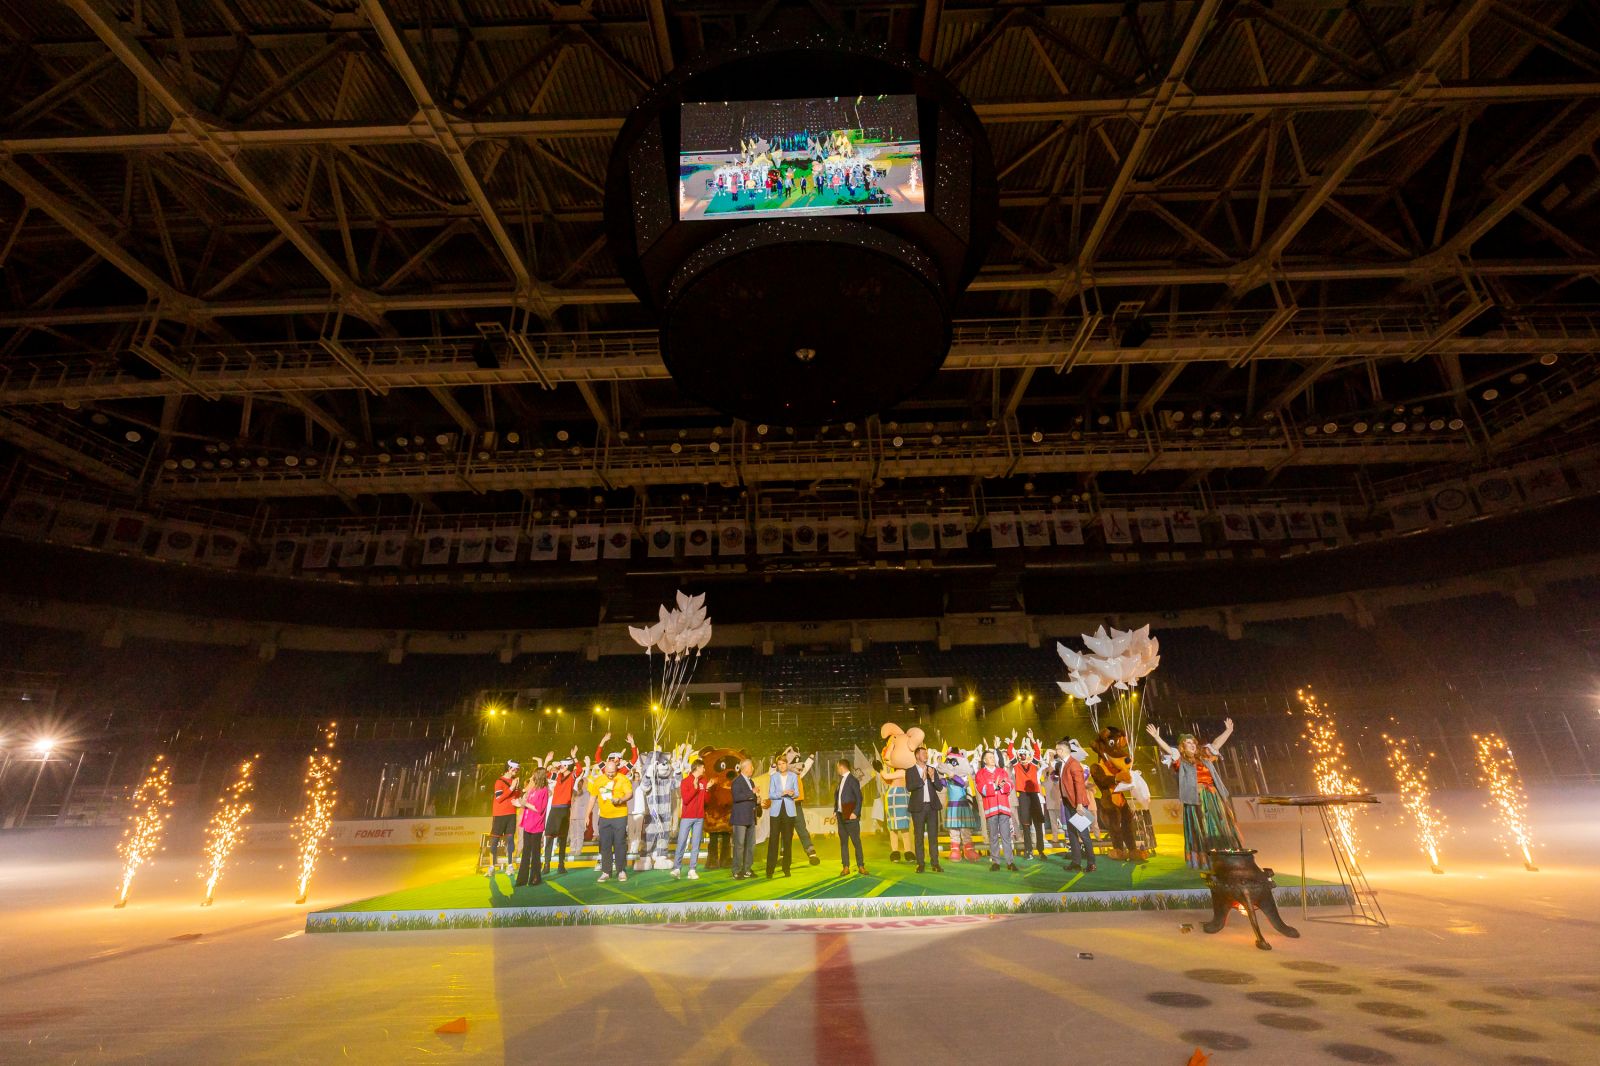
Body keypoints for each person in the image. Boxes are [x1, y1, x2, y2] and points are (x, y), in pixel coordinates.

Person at [1148, 719, 1241, 869]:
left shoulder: (1203, 756)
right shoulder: (1181, 760)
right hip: (1196, 798)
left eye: (1193, 742)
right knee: (1202, 827)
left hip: (1212, 795)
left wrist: (1228, 731)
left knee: (1220, 824)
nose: (1192, 745)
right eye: (1188, 743)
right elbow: (1169, 750)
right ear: (1182, 747)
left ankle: (1225, 854)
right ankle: (1208, 858)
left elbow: (1216, 744)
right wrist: (1157, 738)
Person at [587, 751, 634, 882]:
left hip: (620, 816)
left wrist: (620, 799)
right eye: (608, 772)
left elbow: (630, 793)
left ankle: (621, 870)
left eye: (612, 772)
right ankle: (606, 871)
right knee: (605, 845)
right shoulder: (599, 780)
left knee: (620, 843)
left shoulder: (622, 778)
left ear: (616, 769)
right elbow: (592, 798)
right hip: (604, 817)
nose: (610, 774)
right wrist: (587, 814)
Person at [1055, 739, 1096, 873]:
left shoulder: (1073, 764)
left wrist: (1079, 804)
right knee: (1072, 832)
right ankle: (1076, 861)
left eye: (1057, 749)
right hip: (1067, 803)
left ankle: (1091, 863)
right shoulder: (1063, 764)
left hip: (1076, 804)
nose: (1056, 752)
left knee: (1084, 834)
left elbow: (1079, 786)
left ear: (1063, 750)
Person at [974, 748, 1017, 871]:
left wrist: (1000, 786)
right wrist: (996, 786)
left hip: (1003, 808)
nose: (993, 759)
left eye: (993, 757)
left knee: (1006, 836)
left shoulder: (1001, 771)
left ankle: (1010, 862)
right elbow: (981, 789)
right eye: (990, 757)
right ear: (984, 760)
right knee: (993, 836)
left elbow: (1009, 785)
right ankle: (996, 862)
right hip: (991, 809)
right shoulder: (980, 773)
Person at [779, 746, 823, 866]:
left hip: (796, 805)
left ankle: (811, 853)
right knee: (786, 831)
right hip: (786, 805)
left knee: (802, 829)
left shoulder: (798, 774)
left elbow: (806, 766)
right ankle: (784, 856)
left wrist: (811, 756)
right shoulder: (781, 774)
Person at [904, 745, 943, 873]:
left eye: (926, 754)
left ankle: (935, 863)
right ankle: (920, 863)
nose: (926, 756)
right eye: (923, 753)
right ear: (917, 755)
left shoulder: (932, 769)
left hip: (932, 807)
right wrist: (922, 780)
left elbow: (939, 788)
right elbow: (909, 787)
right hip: (918, 808)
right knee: (918, 836)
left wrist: (932, 778)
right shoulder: (910, 771)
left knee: (933, 837)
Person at [543, 748, 580, 874]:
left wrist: (574, 757)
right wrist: (547, 761)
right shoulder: (557, 776)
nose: (561, 767)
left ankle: (561, 865)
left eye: (564, 765)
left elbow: (579, 769)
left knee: (562, 838)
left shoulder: (572, 776)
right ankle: (546, 864)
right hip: (554, 809)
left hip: (564, 809)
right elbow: (544, 774)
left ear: (568, 766)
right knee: (549, 837)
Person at [1010, 739, 1047, 860]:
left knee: (1038, 823)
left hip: (1034, 796)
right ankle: (1028, 850)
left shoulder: (1033, 765)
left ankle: (1041, 850)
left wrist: (1032, 741)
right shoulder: (1017, 766)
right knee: (1026, 824)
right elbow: (1010, 752)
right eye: (1020, 754)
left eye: (1024, 754)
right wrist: (1012, 741)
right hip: (1024, 796)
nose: (1022, 756)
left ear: (1028, 755)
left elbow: (1037, 752)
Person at [672, 758, 709, 879]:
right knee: (682, 842)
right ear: (697, 767)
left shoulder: (704, 781)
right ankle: (677, 868)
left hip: (699, 817)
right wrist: (694, 787)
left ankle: (692, 870)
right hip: (687, 817)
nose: (704, 769)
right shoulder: (685, 781)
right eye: (703, 767)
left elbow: (706, 801)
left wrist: (707, 789)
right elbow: (686, 799)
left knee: (696, 844)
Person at [515, 769, 550, 888]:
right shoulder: (532, 789)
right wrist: (519, 803)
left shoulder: (544, 790)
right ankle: (522, 879)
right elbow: (527, 804)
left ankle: (535, 877)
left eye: (534, 776)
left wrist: (524, 803)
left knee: (535, 852)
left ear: (539, 777)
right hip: (528, 823)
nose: (532, 778)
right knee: (526, 851)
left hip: (537, 825)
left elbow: (539, 809)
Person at [766, 753, 799, 877]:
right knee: (773, 841)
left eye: (783, 763)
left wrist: (791, 793)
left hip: (789, 811)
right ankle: (770, 870)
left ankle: (786, 868)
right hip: (776, 812)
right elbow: (771, 794)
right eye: (779, 764)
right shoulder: (774, 777)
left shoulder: (793, 776)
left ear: (787, 764)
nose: (781, 766)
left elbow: (797, 793)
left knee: (787, 841)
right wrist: (782, 793)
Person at [833, 758, 866, 875]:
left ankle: (861, 865)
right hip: (841, 815)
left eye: (837, 767)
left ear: (841, 767)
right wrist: (835, 810)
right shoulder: (841, 781)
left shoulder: (852, 780)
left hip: (851, 816)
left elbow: (859, 798)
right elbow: (838, 797)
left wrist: (855, 813)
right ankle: (845, 866)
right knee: (843, 842)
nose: (837, 770)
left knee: (856, 841)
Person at [488, 760, 521, 874]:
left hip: (511, 814)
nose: (516, 771)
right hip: (500, 814)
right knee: (494, 840)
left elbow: (516, 797)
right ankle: (492, 866)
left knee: (511, 839)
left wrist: (516, 789)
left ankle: (510, 865)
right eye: (515, 769)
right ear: (509, 768)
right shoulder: (499, 781)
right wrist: (511, 788)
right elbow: (499, 798)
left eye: (517, 769)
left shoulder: (514, 781)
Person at [730, 757, 760, 880]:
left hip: (750, 817)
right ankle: (736, 870)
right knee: (739, 845)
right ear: (746, 768)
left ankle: (747, 869)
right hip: (740, 818)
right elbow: (736, 797)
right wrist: (752, 793)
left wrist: (757, 801)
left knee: (750, 845)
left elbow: (749, 797)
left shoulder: (750, 781)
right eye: (751, 766)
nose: (753, 768)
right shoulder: (737, 781)